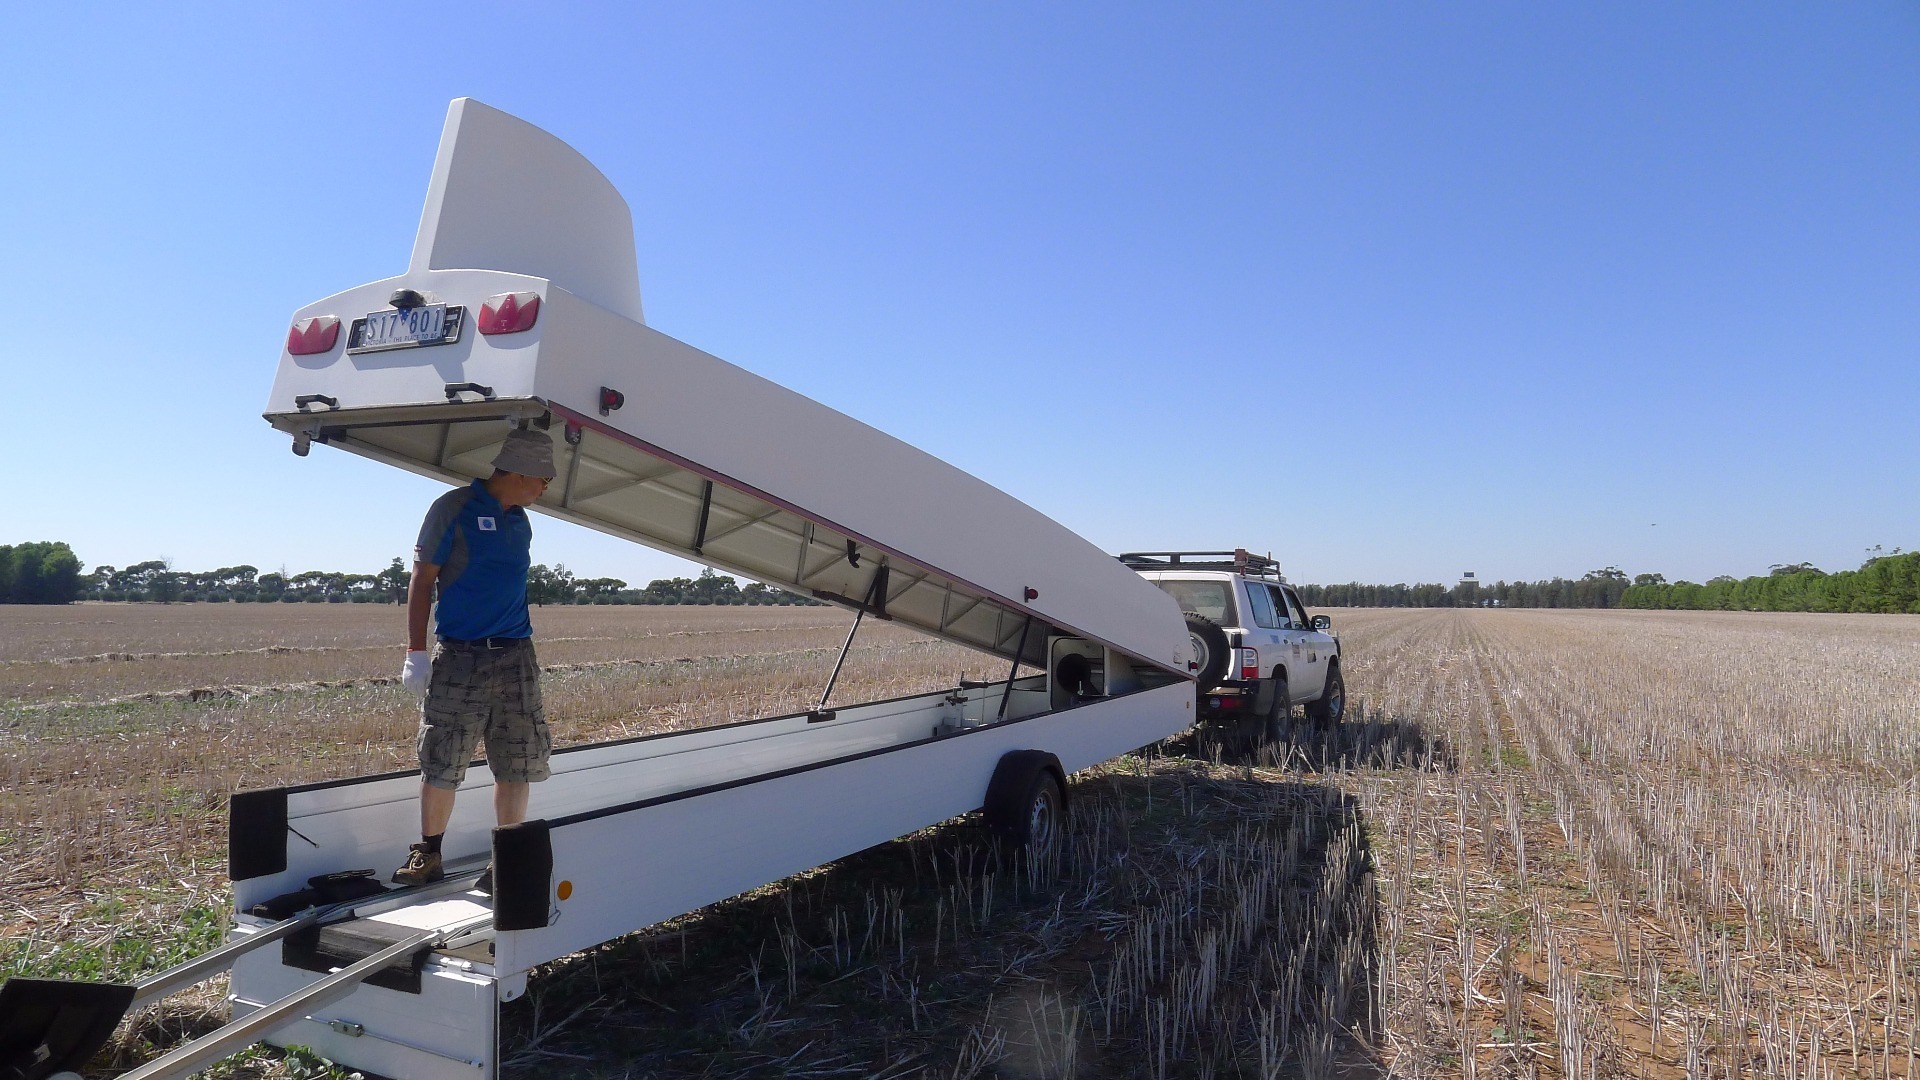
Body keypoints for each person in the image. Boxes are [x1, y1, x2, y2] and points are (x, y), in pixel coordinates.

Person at [393, 427, 557, 887]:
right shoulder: (454, 509)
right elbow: (422, 581)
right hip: (460, 655)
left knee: (518, 758)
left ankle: (505, 857)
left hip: (516, 656)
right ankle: (428, 853)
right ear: (522, 472)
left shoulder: (521, 520)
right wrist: (417, 651)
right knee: (443, 755)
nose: (546, 489)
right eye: (544, 479)